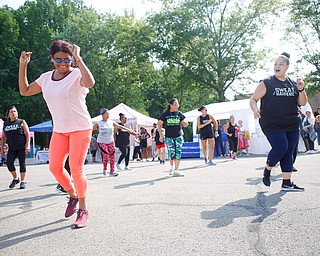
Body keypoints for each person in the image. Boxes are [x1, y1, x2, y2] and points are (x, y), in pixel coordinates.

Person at [19, 40, 95, 228]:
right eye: (58, 60)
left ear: (72, 60)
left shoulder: (77, 74)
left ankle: (83, 210)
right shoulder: (45, 78)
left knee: (76, 169)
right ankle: (72, 195)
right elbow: (25, 90)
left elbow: (90, 83)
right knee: (54, 167)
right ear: (52, 60)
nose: (63, 64)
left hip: (80, 127)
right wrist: (23, 66)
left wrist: (78, 58)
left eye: (67, 60)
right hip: (60, 130)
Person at [250, 52, 308, 191]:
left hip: (291, 122)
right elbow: (253, 99)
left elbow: (302, 102)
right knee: (281, 146)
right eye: (275, 64)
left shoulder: (293, 84)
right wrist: (255, 109)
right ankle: (267, 169)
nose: (277, 66)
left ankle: (287, 182)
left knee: (289, 151)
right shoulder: (267, 83)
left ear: (287, 67)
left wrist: (301, 89)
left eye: (281, 64)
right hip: (271, 123)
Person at [93, 108, 135, 176]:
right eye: (106, 114)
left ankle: (112, 171)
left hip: (110, 141)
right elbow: (91, 129)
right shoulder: (98, 123)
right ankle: (105, 169)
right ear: (102, 115)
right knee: (106, 155)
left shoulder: (111, 122)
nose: (108, 115)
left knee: (112, 156)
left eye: (108, 114)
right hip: (101, 141)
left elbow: (119, 126)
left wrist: (127, 129)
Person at [1, 106, 30, 189]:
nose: (13, 113)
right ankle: (15, 178)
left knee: (22, 164)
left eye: (15, 111)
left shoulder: (21, 122)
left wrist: (27, 145)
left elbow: (27, 134)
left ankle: (23, 181)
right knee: (9, 163)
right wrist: (2, 149)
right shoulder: (5, 124)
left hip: (21, 147)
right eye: (11, 112)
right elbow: (3, 138)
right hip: (12, 148)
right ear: (8, 114)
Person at [158, 98, 189, 176]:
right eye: (175, 104)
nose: (177, 106)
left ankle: (176, 170)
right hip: (169, 137)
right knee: (172, 153)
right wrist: (161, 135)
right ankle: (171, 167)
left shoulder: (179, 113)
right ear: (171, 105)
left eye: (177, 104)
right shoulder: (166, 114)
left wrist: (185, 124)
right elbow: (159, 123)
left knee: (178, 152)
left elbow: (183, 123)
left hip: (178, 136)